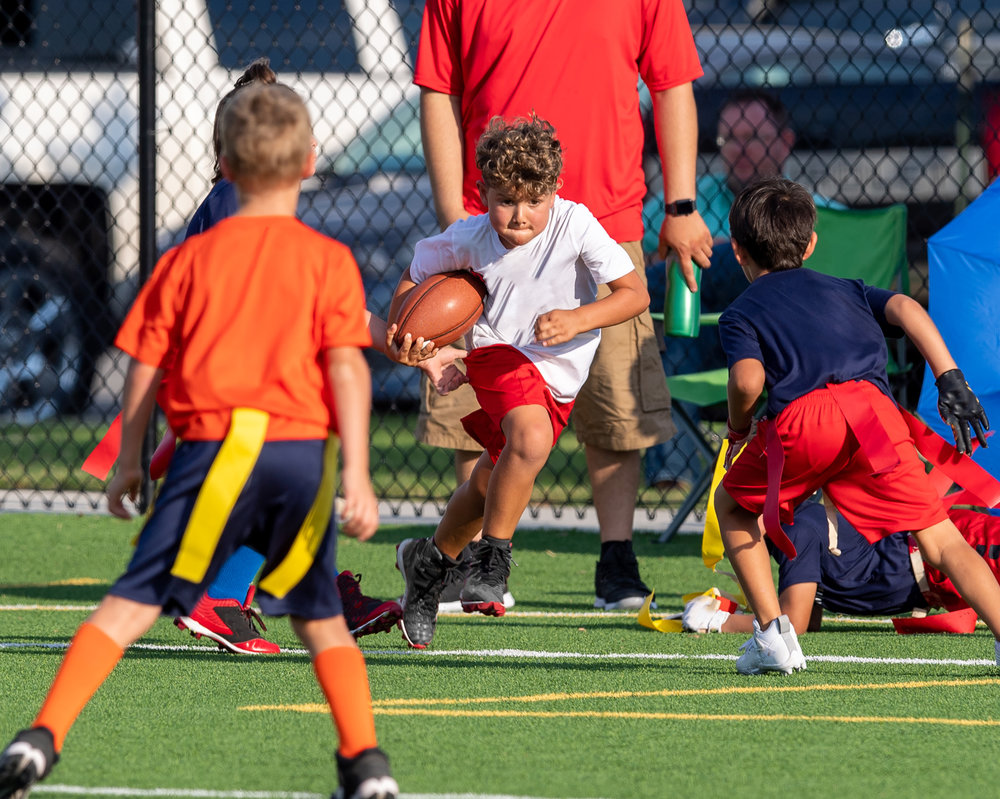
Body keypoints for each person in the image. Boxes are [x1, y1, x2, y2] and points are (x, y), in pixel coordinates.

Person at [0, 84, 399, 799]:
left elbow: (145, 366)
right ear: (311, 162)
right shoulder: (328, 260)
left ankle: (40, 737)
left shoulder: (188, 260)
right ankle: (366, 764)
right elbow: (348, 367)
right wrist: (359, 477)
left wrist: (128, 458)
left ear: (221, 162)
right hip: (303, 455)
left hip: (217, 452)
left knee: (130, 604)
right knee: (322, 619)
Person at [415, 0, 714, 611]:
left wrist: (680, 205)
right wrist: (459, 222)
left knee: (613, 410)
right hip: (492, 227)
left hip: (606, 217)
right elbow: (438, 92)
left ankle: (617, 562)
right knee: (473, 407)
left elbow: (672, 82)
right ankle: (466, 566)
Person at [713, 176, 997, 675]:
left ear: (737, 250)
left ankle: (774, 637)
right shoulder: (846, 288)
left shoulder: (741, 312)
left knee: (732, 506)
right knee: (940, 539)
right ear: (811, 243)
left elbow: (748, 379)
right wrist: (949, 377)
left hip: (805, 421)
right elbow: (908, 308)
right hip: (875, 416)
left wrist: (738, 429)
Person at [392, 114, 652, 649]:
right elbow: (411, 283)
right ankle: (492, 563)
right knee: (529, 439)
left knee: (490, 483)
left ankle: (429, 564)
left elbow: (634, 293)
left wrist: (578, 318)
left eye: (533, 201)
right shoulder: (466, 237)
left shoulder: (575, 224)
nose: (518, 215)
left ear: (555, 191)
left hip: (559, 376)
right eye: (505, 199)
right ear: (483, 190)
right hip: (497, 355)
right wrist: (420, 343)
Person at [644, 89, 844, 490]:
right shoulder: (690, 201)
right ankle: (676, 472)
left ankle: (678, 468)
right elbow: (647, 256)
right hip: (711, 337)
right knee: (683, 324)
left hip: (785, 344)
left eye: (753, 137)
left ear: (785, 142)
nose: (739, 149)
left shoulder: (813, 210)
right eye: (729, 139)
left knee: (720, 258)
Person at [684, 501, 1000, 635]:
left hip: (945, 554)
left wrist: (717, 622)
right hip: (934, 561)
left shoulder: (799, 533)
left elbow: (792, 624)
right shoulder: (800, 528)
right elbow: (810, 612)